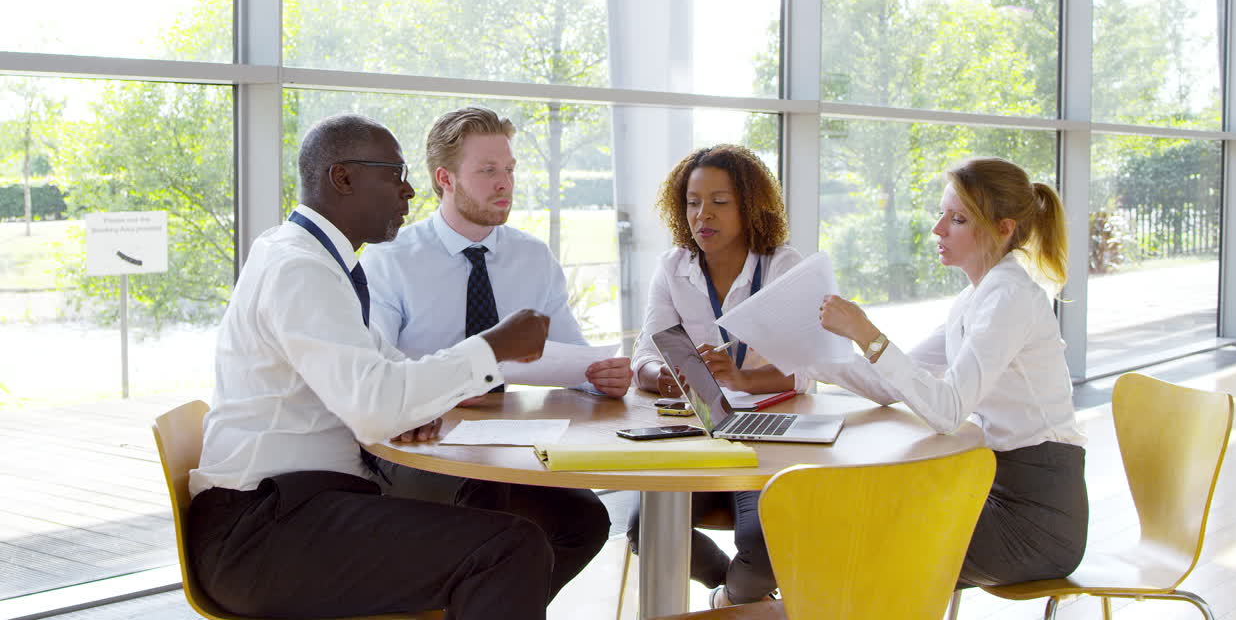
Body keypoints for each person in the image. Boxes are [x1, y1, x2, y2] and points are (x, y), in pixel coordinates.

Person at [187, 114, 557, 620]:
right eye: (395, 173)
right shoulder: (301, 268)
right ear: (342, 178)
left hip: (298, 508)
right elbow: (375, 406)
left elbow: (383, 371)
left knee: (555, 523)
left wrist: (410, 405)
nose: (409, 191)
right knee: (511, 546)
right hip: (263, 531)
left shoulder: (317, 258)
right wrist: (493, 346)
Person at [360, 106, 627, 598]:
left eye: (509, 170)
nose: (504, 183)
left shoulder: (532, 258)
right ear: (446, 178)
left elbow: (572, 355)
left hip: (507, 440)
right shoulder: (389, 260)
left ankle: (481, 607)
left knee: (586, 521)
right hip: (419, 445)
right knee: (494, 509)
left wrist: (599, 374)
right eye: (487, 171)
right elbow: (376, 368)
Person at [807, 156, 1088, 588]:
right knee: (865, 529)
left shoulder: (1009, 297)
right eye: (941, 214)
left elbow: (947, 410)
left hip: (1037, 521)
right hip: (995, 493)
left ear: (1004, 228)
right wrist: (800, 358)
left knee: (867, 537)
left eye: (956, 219)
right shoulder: (975, 298)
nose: (938, 229)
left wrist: (867, 333)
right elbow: (889, 384)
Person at [627, 144, 804, 608]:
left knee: (764, 548)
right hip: (699, 431)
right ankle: (737, 594)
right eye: (692, 201)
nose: (703, 214)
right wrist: (666, 376)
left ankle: (735, 598)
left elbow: (804, 373)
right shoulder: (672, 268)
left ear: (750, 206)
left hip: (764, 438)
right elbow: (644, 356)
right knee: (645, 529)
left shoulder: (783, 266)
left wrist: (742, 379)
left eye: (720, 202)